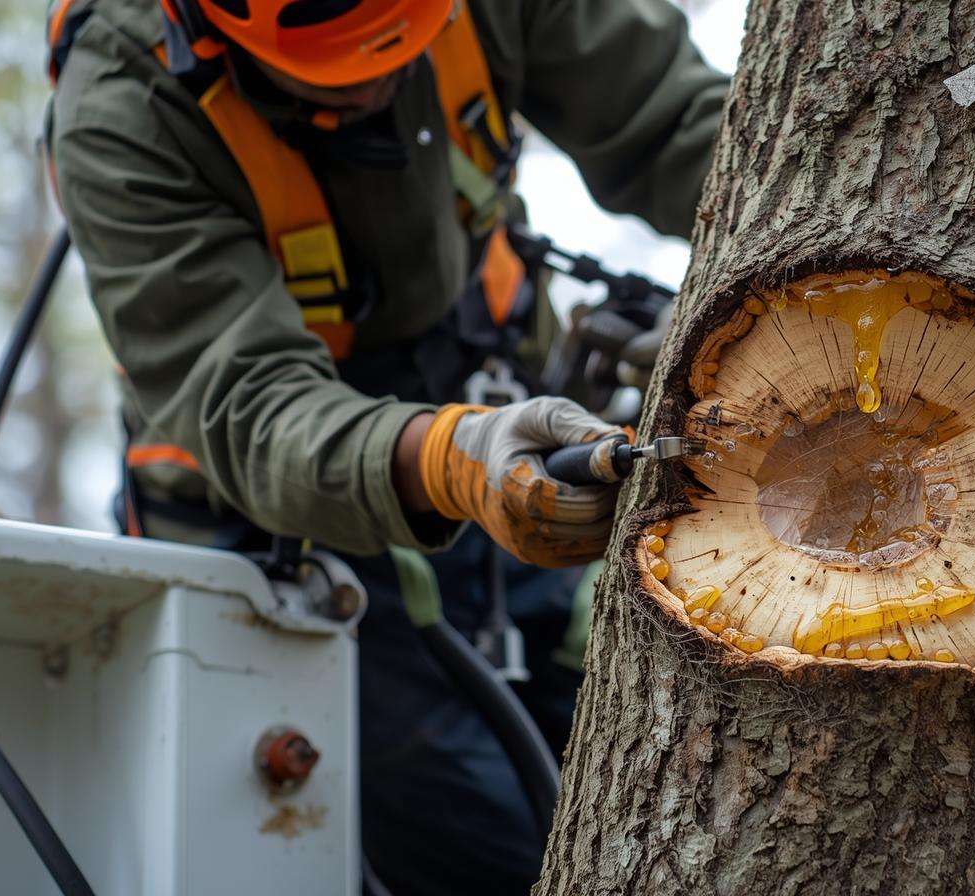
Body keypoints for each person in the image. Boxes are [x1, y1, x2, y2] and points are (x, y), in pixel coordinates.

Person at [43, 0, 727, 891]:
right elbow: (250, 404)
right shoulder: (124, 97)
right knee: (499, 849)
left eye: (398, 49)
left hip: (513, 440)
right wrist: (447, 461)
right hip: (283, 535)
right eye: (330, 74)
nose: (377, 82)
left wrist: (762, 275)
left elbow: (681, 121)